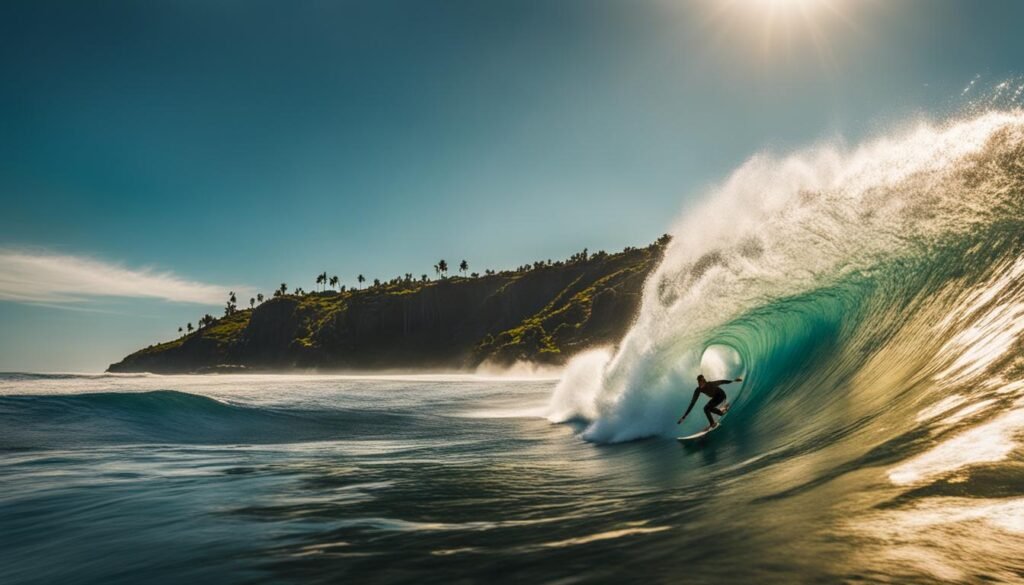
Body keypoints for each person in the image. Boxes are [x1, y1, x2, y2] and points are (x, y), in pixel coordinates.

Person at [677, 375, 743, 431]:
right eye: (701, 381)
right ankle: (721, 413)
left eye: (704, 380)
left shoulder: (710, 384)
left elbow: (722, 381)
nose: (703, 382)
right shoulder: (698, 390)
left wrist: (734, 380)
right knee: (707, 408)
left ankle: (712, 423)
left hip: (721, 395)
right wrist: (684, 416)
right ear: (699, 382)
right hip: (715, 397)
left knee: (706, 408)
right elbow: (692, 403)